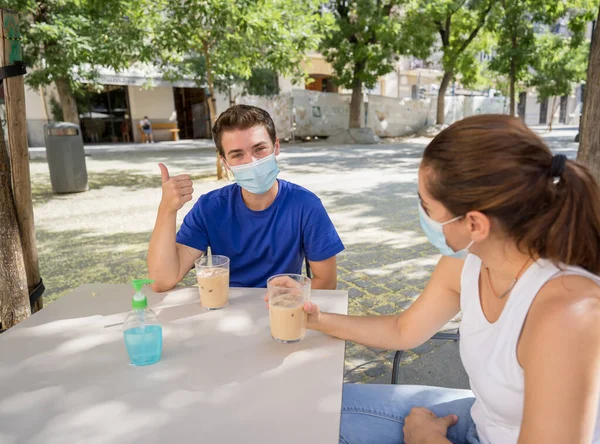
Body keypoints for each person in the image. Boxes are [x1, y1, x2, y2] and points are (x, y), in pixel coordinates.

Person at [300, 115, 600, 443]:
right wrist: (316, 319)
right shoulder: (468, 262)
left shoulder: (567, 315)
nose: (422, 217)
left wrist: (427, 439)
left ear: (474, 224)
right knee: (306, 412)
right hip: (478, 420)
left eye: (426, 206)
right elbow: (403, 329)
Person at [147, 104, 344, 291]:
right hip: (224, 309)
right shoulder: (209, 208)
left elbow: (326, 282)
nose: (251, 162)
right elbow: (162, 281)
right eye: (237, 155)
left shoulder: (306, 206)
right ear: (225, 162)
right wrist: (167, 209)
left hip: (284, 307)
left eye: (259, 149)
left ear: (276, 147)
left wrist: (280, 300)